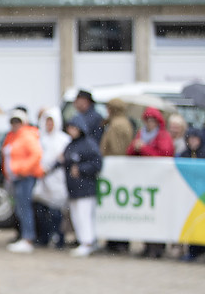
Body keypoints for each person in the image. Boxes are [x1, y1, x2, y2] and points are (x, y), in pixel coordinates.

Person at [126, 107, 174, 258]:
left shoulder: (163, 135)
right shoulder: (141, 134)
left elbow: (164, 155)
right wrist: (136, 147)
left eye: (152, 120)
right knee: (145, 213)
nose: (149, 123)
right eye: (147, 120)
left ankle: (157, 247)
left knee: (158, 213)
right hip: (144, 181)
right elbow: (129, 152)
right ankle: (146, 245)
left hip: (159, 181)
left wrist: (144, 148)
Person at [61, 116, 103, 257]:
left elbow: (97, 163)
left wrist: (81, 168)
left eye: (74, 128)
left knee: (84, 215)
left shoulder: (89, 144)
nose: (71, 130)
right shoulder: (70, 144)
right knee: (76, 216)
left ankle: (88, 242)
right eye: (69, 127)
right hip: (72, 187)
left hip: (85, 187)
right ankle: (83, 241)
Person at [3, 109, 44, 253]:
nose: (15, 124)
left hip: (24, 177)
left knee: (25, 208)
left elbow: (36, 154)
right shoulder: (12, 136)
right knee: (19, 208)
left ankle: (28, 238)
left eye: (18, 121)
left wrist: (23, 169)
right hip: (15, 178)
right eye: (13, 121)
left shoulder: (27, 135)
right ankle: (24, 236)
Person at [99, 97, 135, 255]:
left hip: (117, 171)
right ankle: (114, 240)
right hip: (115, 170)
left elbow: (118, 149)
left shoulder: (118, 124)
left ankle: (119, 241)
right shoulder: (117, 122)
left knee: (118, 206)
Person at [33, 107, 70, 248]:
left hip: (56, 178)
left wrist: (50, 167)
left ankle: (58, 238)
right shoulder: (40, 138)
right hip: (41, 177)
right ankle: (44, 237)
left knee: (57, 211)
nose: (49, 125)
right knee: (41, 209)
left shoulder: (63, 139)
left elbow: (63, 157)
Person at [178, 127, 205, 263]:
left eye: (195, 139)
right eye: (190, 139)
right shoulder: (183, 154)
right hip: (190, 196)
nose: (192, 142)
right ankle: (193, 250)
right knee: (193, 223)